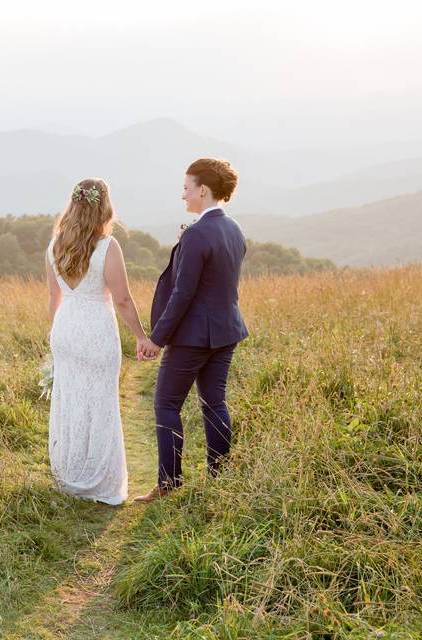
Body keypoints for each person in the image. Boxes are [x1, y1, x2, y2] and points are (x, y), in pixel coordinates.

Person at [134, 158, 249, 504]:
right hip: (226, 331)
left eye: (186, 188)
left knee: (166, 403)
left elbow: (183, 294)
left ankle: (169, 483)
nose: (183, 195)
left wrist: (157, 339)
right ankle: (220, 478)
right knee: (214, 403)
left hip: (193, 337)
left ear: (202, 190)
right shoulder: (234, 228)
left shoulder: (199, 233)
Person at [44, 177, 159, 505]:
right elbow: (121, 299)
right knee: (99, 404)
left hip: (65, 329)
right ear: (104, 206)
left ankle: (70, 476)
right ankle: (97, 483)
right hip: (95, 330)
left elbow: (55, 295)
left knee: (70, 403)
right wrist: (141, 335)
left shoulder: (54, 245)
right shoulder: (107, 246)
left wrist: (56, 332)